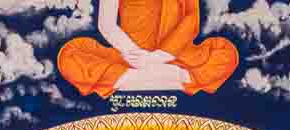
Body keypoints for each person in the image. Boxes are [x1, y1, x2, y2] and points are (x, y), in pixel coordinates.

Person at [58, 0, 238, 98]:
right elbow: (107, 25)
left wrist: (157, 57)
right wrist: (134, 54)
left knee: (227, 54)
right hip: (129, 57)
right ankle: (174, 79)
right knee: (69, 56)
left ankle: (127, 82)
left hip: (174, 55)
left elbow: (191, 20)